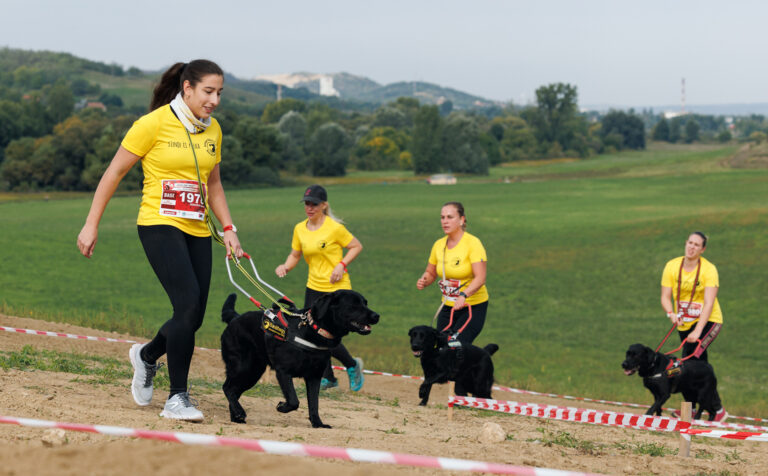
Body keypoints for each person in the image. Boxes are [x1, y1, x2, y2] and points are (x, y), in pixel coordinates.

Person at [77, 60, 242, 422]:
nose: (214, 100)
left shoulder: (213, 130)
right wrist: (91, 224)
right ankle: (177, 398)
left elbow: (213, 184)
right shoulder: (151, 124)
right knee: (186, 305)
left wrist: (228, 228)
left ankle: (147, 356)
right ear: (187, 88)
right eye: (208, 92)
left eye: (219, 93)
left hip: (197, 228)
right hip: (159, 224)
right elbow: (114, 173)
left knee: (194, 316)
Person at [275, 184, 365, 391]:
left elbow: (356, 246)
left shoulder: (334, 228)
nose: (310, 207)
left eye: (314, 204)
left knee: (328, 334)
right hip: (313, 287)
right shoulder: (299, 228)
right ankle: (329, 378)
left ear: (324, 205)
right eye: (307, 203)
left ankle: (352, 366)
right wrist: (286, 267)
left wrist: (341, 265)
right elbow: (295, 254)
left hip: (336, 289)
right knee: (313, 332)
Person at [661, 231, 727, 421]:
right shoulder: (672, 266)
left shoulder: (709, 269)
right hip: (684, 322)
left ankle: (710, 409)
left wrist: (698, 331)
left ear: (703, 249)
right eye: (690, 243)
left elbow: (708, 303)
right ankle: (702, 408)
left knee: (690, 364)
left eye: (697, 245)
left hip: (709, 321)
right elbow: (665, 297)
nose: (692, 247)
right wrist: (671, 314)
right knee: (694, 365)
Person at [416, 202, 489, 345]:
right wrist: (424, 280)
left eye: (450, 217)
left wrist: (464, 295)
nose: (445, 221)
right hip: (448, 306)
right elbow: (431, 272)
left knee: (456, 345)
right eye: (442, 217)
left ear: (462, 220)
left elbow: (481, 278)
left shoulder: (473, 243)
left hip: (472, 306)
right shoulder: (438, 245)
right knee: (441, 347)